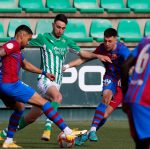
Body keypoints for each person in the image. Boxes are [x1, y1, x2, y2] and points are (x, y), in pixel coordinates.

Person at [0, 14, 111, 142]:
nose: (60, 30)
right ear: (53, 25)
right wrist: (11, 43)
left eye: (63, 28)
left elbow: (82, 53)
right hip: (45, 81)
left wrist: (97, 55)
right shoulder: (43, 38)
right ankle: (49, 129)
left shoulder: (67, 41)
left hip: (57, 82)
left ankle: (6, 133)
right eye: (58, 27)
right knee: (57, 97)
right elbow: (23, 40)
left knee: (31, 117)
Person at [0, 25, 87, 148]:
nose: (28, 42)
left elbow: (25, 65)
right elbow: (1, 52)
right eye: (28, 39)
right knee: (44, 103)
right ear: (21, 35)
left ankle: (8, 141)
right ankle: (68, 131)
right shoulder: (13, 44)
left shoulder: (17, 49)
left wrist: (44, 73)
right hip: (11, 84)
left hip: (4, 85)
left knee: (19, 108)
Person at [63, 28, 131, 145]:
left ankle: (88, 133)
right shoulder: (102, 48)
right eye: (105, 40)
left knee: (104, 115)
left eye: (110, 41)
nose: (107, 43)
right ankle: (93, 130)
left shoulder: (123, 50)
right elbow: (85, 59)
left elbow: (132, 67)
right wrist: (68, 65)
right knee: (106, 96)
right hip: (110, 77)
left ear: (116, 40)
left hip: (123, 83)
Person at [121, 36, 150, 149]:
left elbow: (125, 66)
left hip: (133, 97)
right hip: (146, 100)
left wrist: (124, 96)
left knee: (141, 145)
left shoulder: (145, 40)